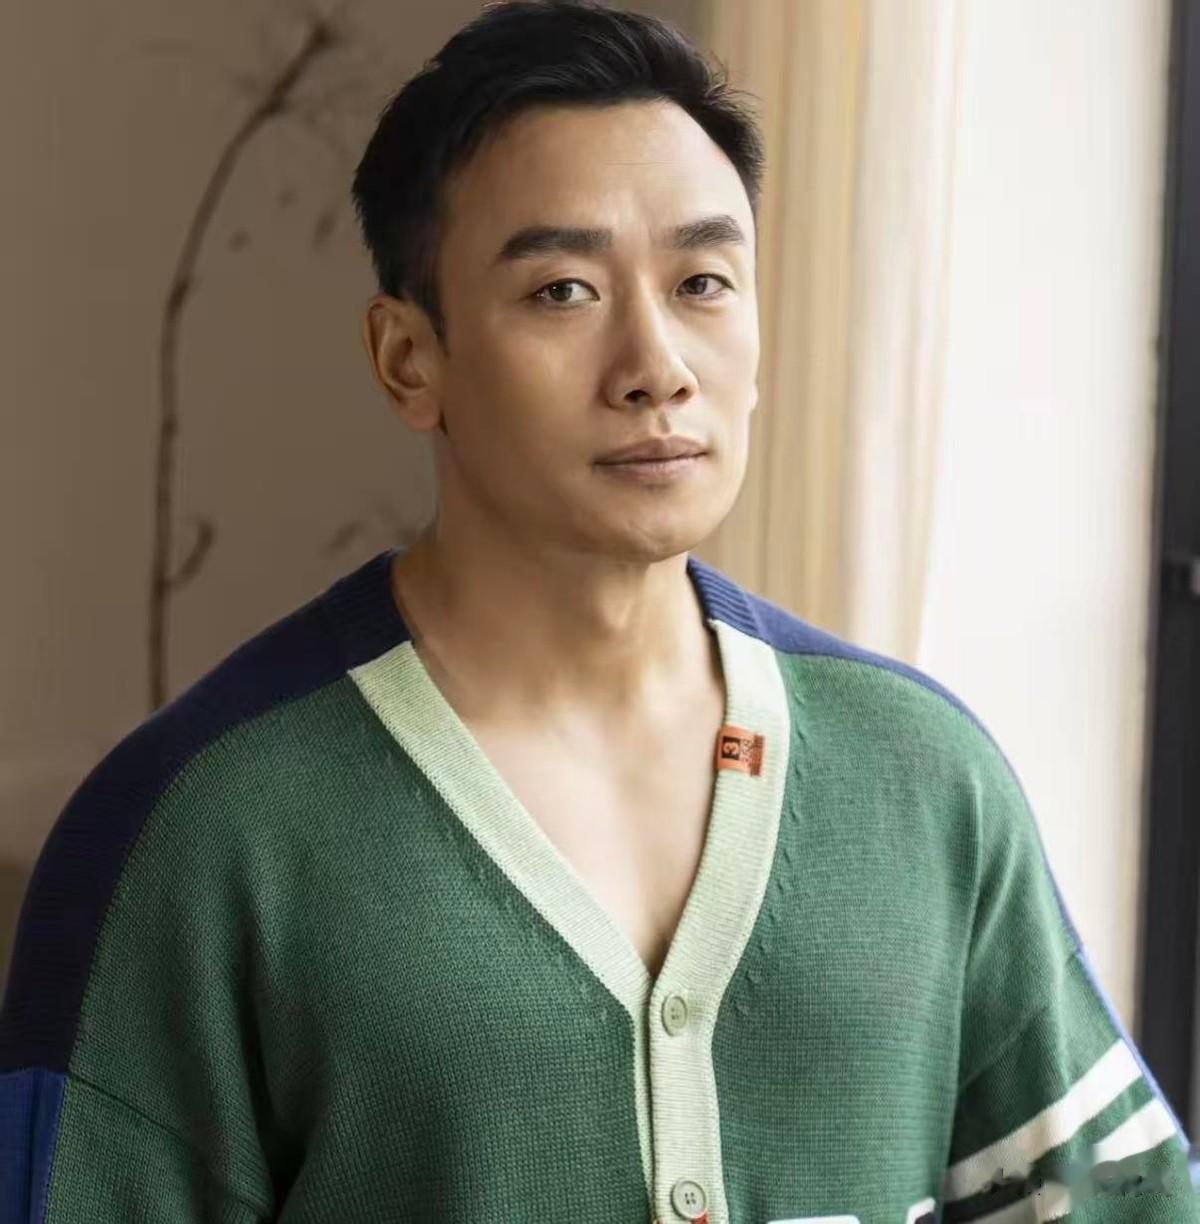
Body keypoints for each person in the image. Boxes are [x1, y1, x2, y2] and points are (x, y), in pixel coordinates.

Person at [1, 1, 1196, 1220]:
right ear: (410, 359)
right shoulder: (197, 836)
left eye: (703, 283)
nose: (656, 366)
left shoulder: (924, 782)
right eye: (563, 290)